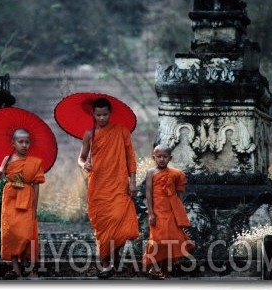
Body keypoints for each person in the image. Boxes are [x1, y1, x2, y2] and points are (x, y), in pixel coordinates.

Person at [78, 97, 139, 279]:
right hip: (98, 185)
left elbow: (130, 157)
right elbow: (81, 157)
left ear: (110, 114)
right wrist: (84, 165)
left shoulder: (121, 131)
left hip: (119, 183)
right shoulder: (90, 134)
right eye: (98, 115)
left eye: (105, 114)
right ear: (93, 114)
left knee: (120, 221)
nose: (102, 118)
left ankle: (116, 254)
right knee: (103, 225)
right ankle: (106, 265)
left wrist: (133, 181)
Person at [0, 128, 45, 280]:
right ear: (13, 143)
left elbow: (36, 185)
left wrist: (35, 207)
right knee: (12, 234)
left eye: (27, 142)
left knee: (25, 234)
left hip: (27, 199)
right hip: (10, 199)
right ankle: (15, 268)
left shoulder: (34, 162)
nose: (24, 145)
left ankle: (26, 263)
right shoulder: (7, 159)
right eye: (20, 142)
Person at [142, 144, 194, 279]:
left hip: (171, 211)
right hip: (157, 212)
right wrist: (151, 213)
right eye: (159, 157)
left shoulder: (176, 174)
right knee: (157, 240)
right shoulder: (151, 173)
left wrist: (178, 212)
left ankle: (163, 270)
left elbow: (180, 194)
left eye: (165, 157)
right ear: (154, 157)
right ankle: (154, 267)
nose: (161, 159)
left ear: (170, 158)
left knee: (170, 239)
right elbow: (148, 193)